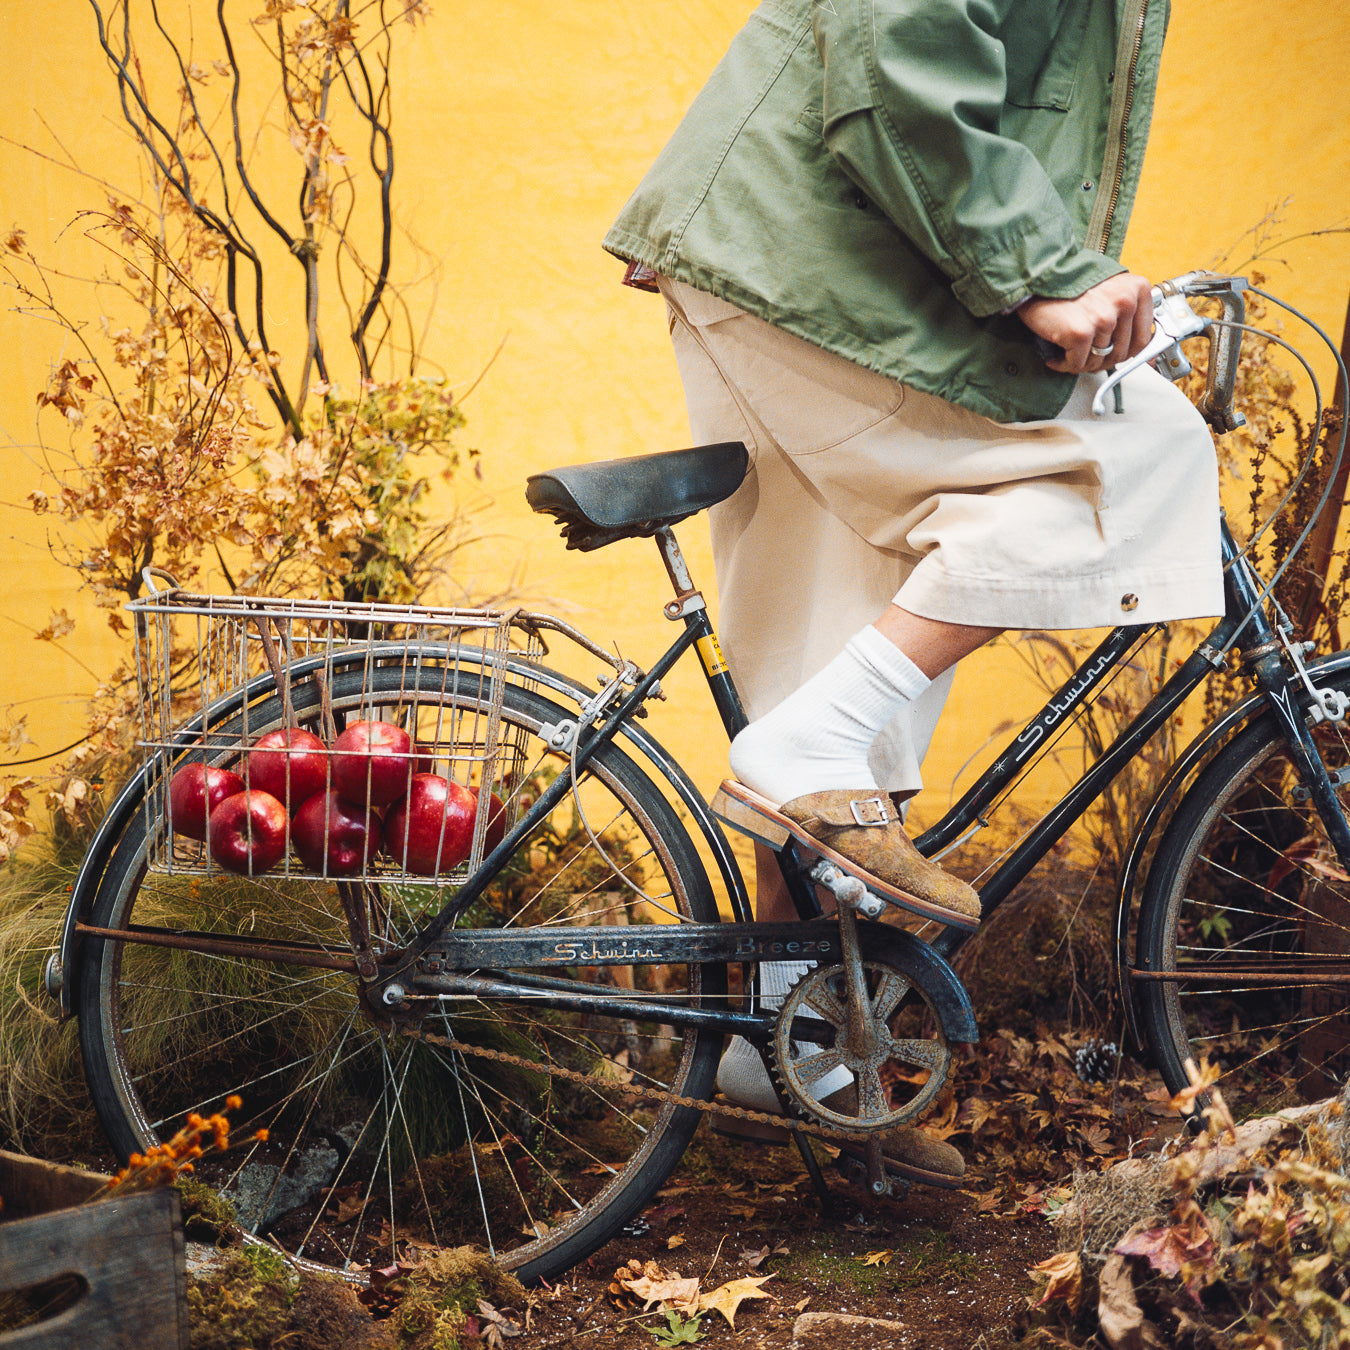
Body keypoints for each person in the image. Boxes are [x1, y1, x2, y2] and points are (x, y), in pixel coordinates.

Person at [604, 0, 1223, 1185]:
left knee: (819, 659)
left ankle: (796, 1059)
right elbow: (898, 49)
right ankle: (811, 751)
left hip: (806, 261)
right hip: (817, 263)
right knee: (1146, 452)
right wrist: (1045, 274)